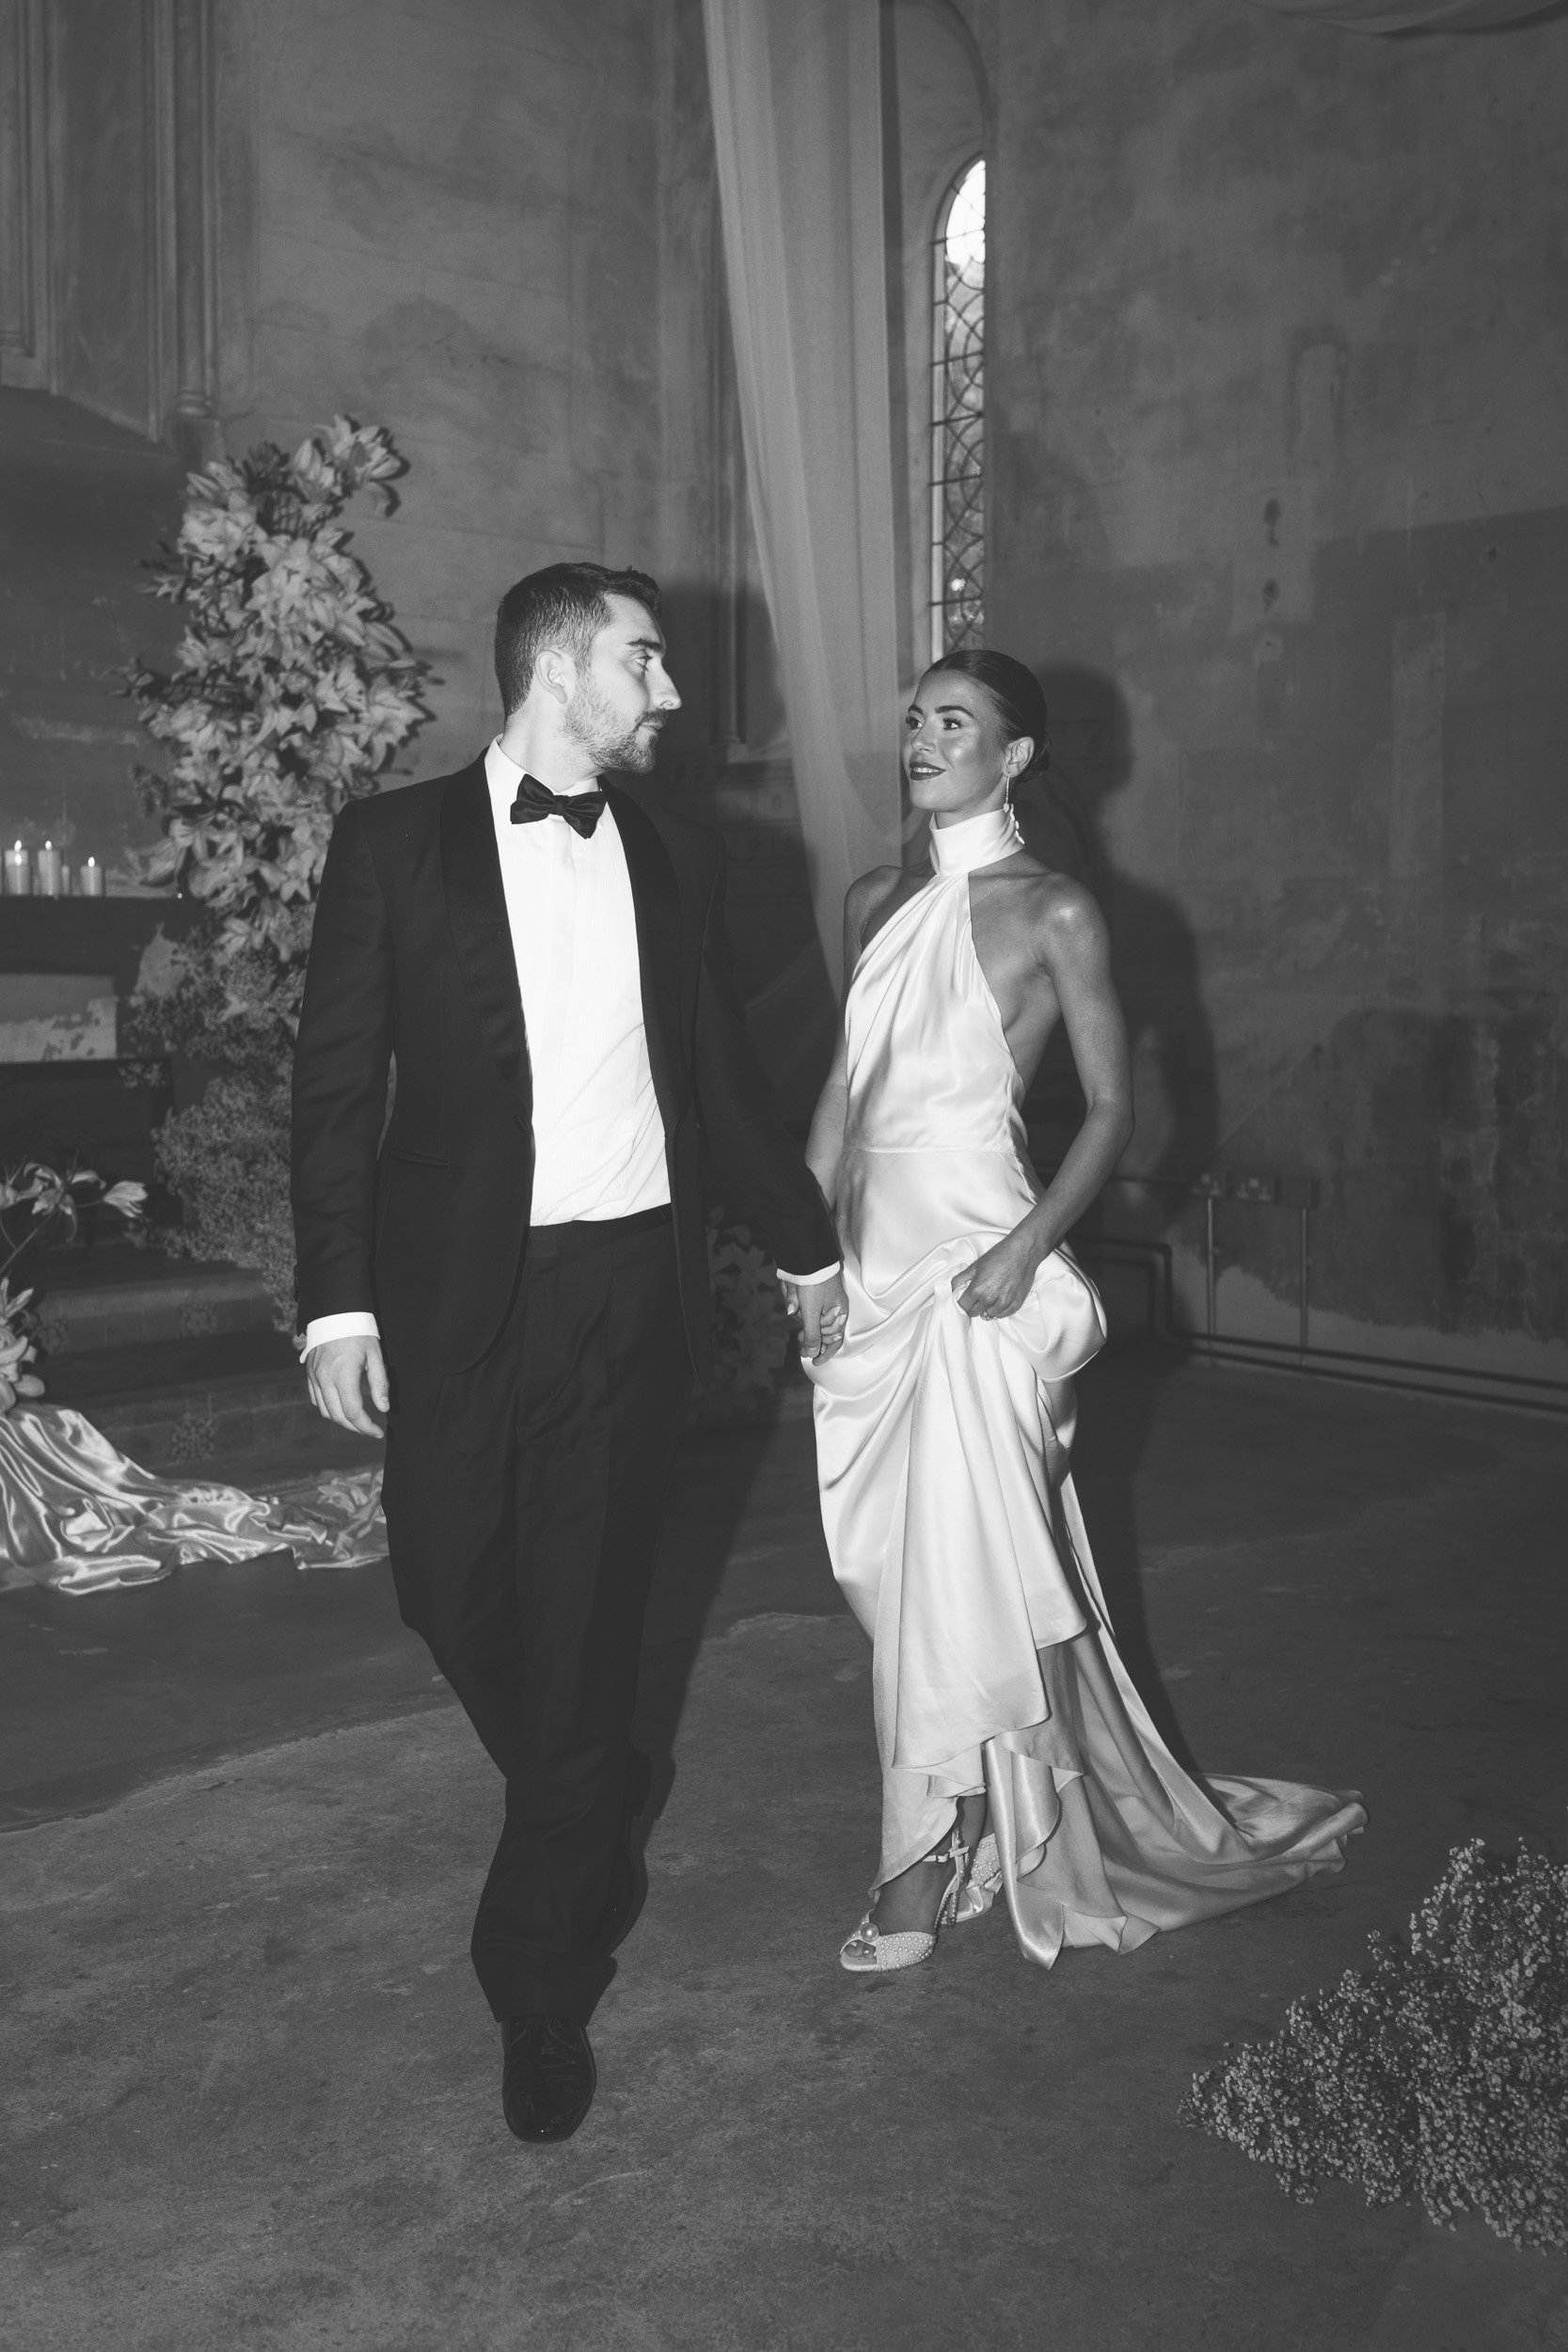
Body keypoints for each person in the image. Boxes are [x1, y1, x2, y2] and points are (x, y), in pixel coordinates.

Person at [292, 564, 846, 2139]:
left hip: (627, 1300)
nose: (670, 693)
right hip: (458, 1293)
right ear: (557, 664)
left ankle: (539, 1989)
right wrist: (338, 1302)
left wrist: (805, 1248)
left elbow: (725, 1083)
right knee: (443, 1580)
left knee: (591, 1618)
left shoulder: (671, 851)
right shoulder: (392, 844)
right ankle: (591, 1785)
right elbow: (336, 1091)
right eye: (646, 660)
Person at [791, 648, 1363, 1975]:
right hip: (873, 1271)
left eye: (955, 723)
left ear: (1017, 757)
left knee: (957, 1568)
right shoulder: (874, 897)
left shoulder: (1056, 911)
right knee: (891, 1570)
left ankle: (924, 1856)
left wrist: (1025, 1248)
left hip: (984, 1273)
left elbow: (1113, 1111)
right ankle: (983, 1802)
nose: (923, 739)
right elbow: (839, 1095)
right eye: (915, 721)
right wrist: (802, 1256)